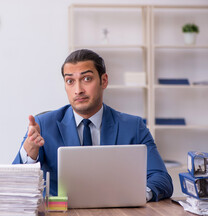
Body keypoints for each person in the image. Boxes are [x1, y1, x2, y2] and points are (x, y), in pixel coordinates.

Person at [12, 49, 173, 202]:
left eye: (87, 79)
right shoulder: (43, 125)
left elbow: (161, 179)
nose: (78, 90)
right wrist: (30, 153)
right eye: (70, 81)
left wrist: (136, 196)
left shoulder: (133, 126)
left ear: (104, 81)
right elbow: (14, 183)